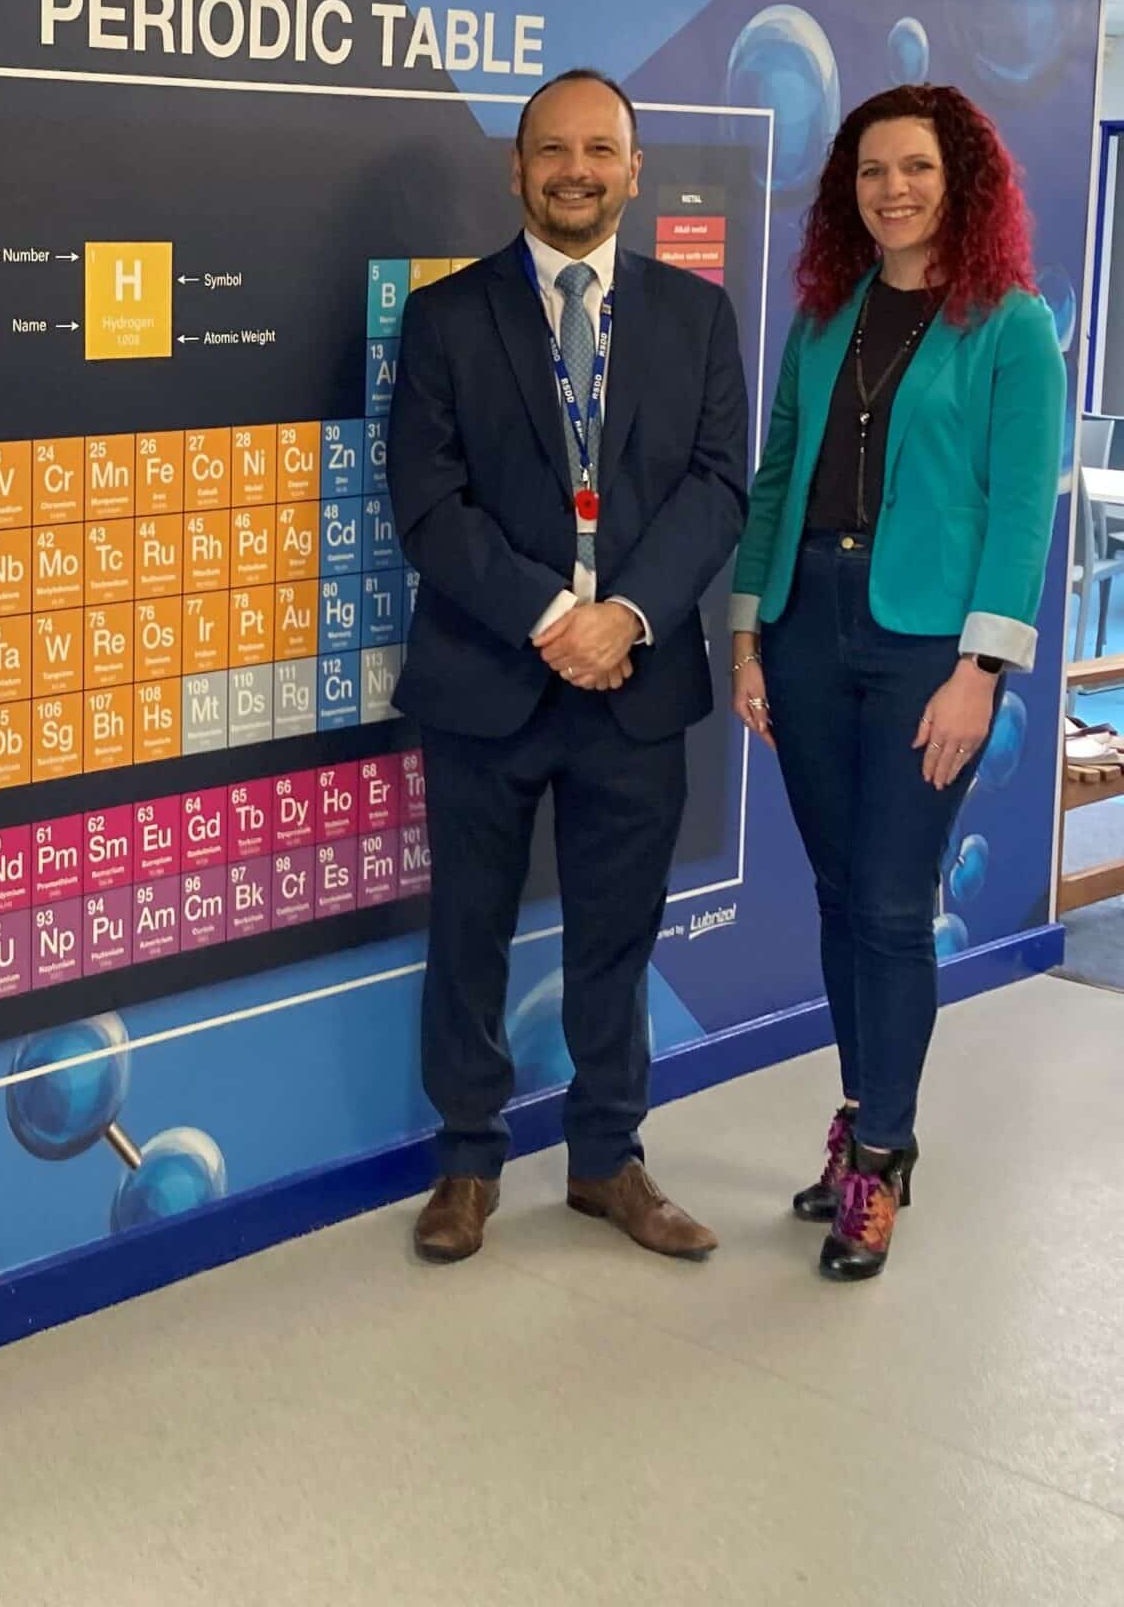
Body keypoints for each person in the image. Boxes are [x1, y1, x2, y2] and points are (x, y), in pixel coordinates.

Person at [389, 68, 749, 1265]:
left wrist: (629, 614)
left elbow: (716, 489)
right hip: (488, 674)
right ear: (517, 168)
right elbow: (429, 507)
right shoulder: (446, 318)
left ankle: (606, 1160)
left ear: (634, 169)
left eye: (600, 149)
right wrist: (554, 614)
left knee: (615, 935)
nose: (576, 170)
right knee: (469, 932)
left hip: (636, 683)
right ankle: (465, 1163)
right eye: (553, 150)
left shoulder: (696, 318)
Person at [728, 85, 1061, 1282]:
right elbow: (775, 478)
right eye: (870, 172)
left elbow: (1022, 512)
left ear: (957, 179)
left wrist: (981, 670)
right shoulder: (826, 316)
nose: (892, 190)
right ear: (847, 191)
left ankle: (882, 1153)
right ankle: (861, 1107)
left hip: (929, 651)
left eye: (914, 168)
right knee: (833, 894)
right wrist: (747, 632)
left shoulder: (1010, 325)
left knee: (888, 900)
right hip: (808, 625)